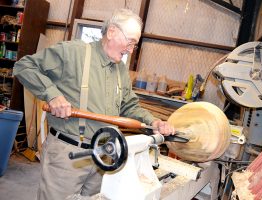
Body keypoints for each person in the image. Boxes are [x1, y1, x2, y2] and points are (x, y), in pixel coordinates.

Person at [13, 8, 175, 200]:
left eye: (135, 45)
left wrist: (153, 121)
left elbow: (129, 106)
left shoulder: (121, 70)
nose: (131, 50)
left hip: (103, 154)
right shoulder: (73, 52)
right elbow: (23, 67)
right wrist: (52, 95)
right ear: (112, 31)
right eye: (130, 42)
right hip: (68, 154)